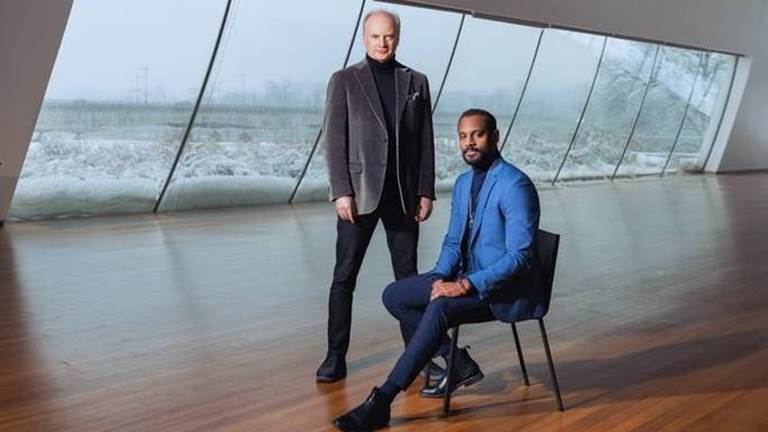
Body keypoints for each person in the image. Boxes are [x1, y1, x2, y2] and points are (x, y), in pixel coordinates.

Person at [333, 109, 541, 431]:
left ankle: (383, 400)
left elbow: (521, 257)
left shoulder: (515, 185)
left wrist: (464, 286)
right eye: (463, 136)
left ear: (495, 136)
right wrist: (440, 276)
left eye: (478, 134)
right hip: (466, 277)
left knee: (440, 307)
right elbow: (453, 240)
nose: (469, 143)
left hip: (503, 289)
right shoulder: (463, 183)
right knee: (396, 295)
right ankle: (457, 361)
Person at [316, 9, 436, 383]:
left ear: (398, 37)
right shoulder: (344, 81)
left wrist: (425, 190)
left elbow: (425, 143)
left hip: (403, 196)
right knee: (344, 278)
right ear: (364, 38)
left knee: (408, 279)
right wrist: (341, 192)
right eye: (375, 37)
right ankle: (335, 357)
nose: (382, 43)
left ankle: (418, 359)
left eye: (389, 36)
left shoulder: (416, 81)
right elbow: (334, 142)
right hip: (359, 195)